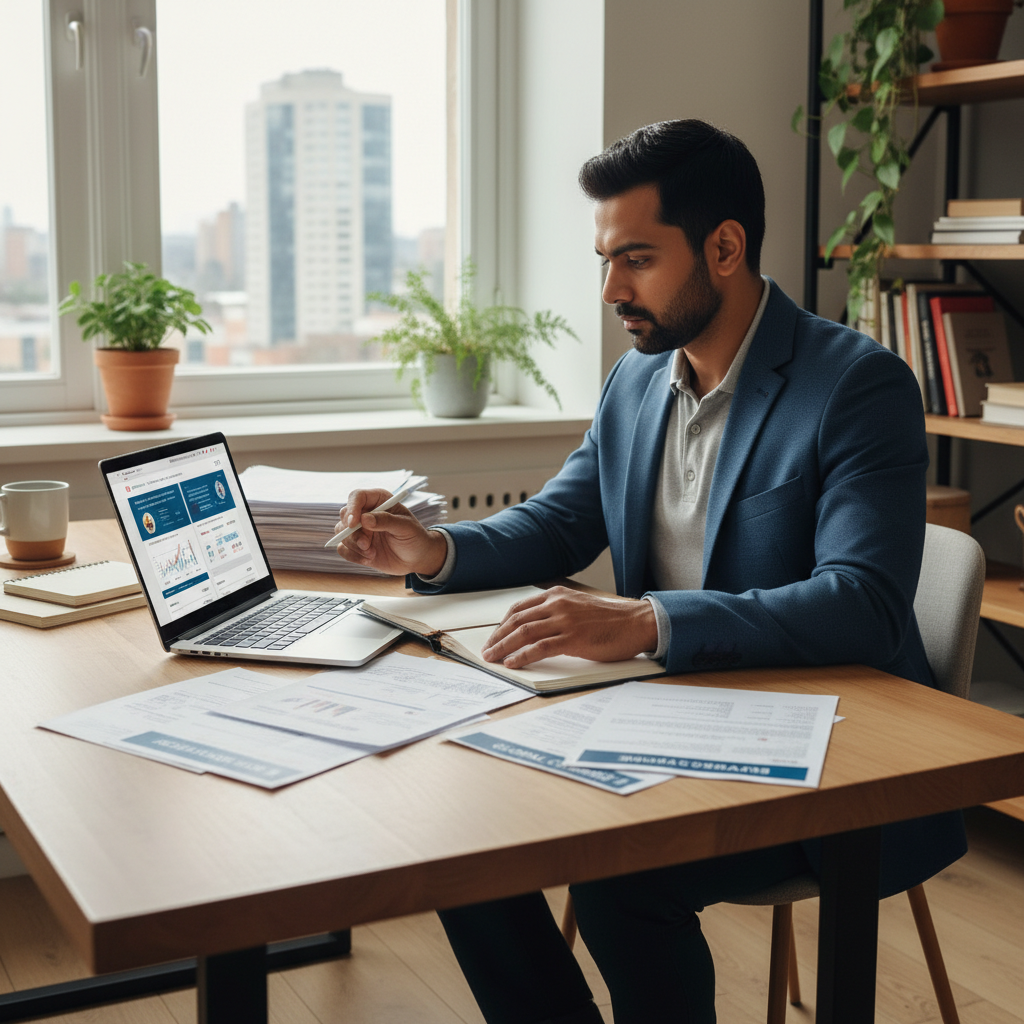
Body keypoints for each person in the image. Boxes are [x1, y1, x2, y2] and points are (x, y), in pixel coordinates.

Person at [335, 120, 967, 1024]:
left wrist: (649, 622)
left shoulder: (856, 385)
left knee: (619, 880)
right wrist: (435, 550)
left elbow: (863, 604)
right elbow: (560, 520)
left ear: (724, 248)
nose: (611, 290)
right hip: (659, 718)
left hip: (823, 752)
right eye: (605, 260)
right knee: (459, 831)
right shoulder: (636, 381)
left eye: (636, 259)